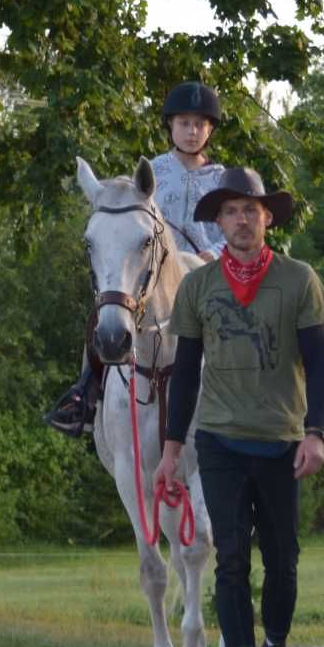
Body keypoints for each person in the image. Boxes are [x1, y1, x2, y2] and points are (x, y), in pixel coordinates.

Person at [153, 167, 324, 647]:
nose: (240, 220)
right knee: (230, 559)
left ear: (266, 216)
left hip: (280, 440)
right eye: (229, 211)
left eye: (249, 210)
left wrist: (315, 433)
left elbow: (319, 366)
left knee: (282, 562)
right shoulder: (198, 287)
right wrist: (171, 450)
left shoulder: (299, 280)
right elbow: (183, 374)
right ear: (219, 221)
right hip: (221, 440)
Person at [44, 81, 228, 437]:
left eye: (199, 124)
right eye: (184, 123)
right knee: (106, 313)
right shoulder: (151, 172)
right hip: (154, 276)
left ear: (210, 130)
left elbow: (232, 232)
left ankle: (248, 395)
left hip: (206, 274)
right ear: (171, 126)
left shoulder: (222, 179)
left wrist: (213, 253)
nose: (191, 131)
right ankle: (86, 393)